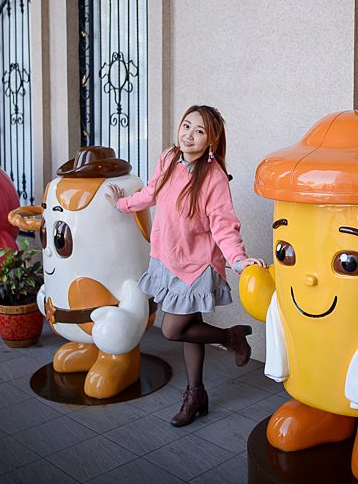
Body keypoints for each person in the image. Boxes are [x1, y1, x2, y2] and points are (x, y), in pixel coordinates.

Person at [106, 105, 264, 426]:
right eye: (187, 126)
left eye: (199, 131)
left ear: (211, 141)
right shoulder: (168, 158)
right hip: (167, 257)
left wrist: (238, 260)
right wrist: (122, 203)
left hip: (196, 264)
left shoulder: (214, 176)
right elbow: (151, 192)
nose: (189, 136)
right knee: (189, 331)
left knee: (172, 329)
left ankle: (230, 337)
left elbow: (223, 224)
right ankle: (196, 395)